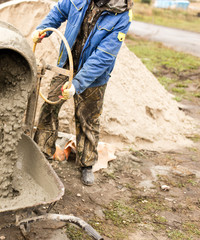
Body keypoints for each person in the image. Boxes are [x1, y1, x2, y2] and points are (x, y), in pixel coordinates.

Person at [32, 0, 133, 186]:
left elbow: (103, 56)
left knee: (88, 117)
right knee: (50, 106)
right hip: (66, 65)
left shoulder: (122, 16)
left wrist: (76, 84)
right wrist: (43, 29)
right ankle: (42, 153)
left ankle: (86, 164)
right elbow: (59, 12)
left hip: (94, 76)